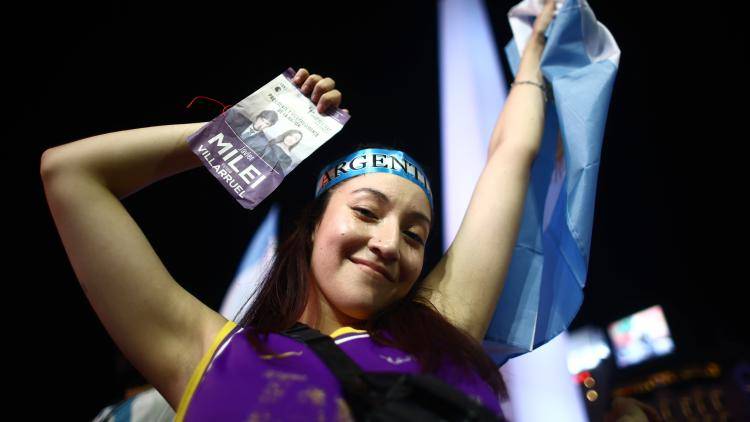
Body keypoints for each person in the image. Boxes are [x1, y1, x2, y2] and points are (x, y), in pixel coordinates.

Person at [40, 1, 578, 420]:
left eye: (416, 235)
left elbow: (511, 156)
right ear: (314, 227)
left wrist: (533, 54)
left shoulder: (445, 327)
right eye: (367, 212)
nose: (390, 243)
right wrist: (258, 133)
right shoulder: (202, 354)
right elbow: (71, 174)